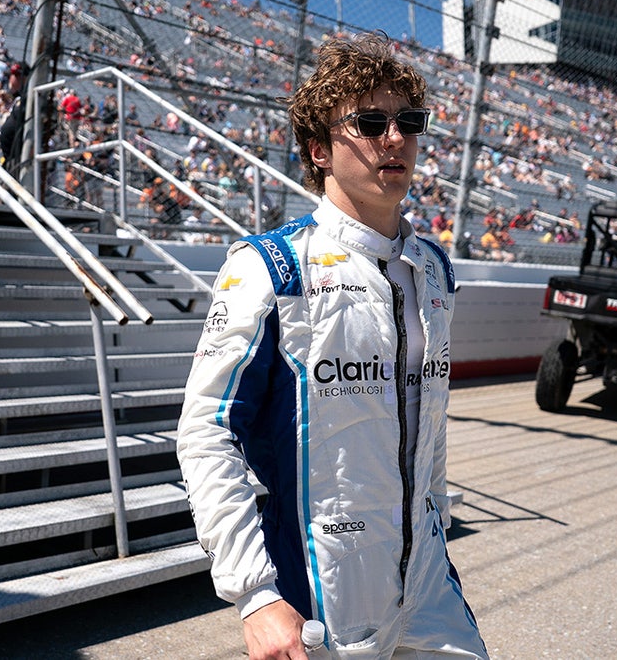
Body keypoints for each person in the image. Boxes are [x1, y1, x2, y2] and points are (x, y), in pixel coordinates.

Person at [177, 32, 488, 659]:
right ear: (319, 150)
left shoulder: (433, 269)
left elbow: (432, 416)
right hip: (325, 579)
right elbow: (206, 431)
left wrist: (437, 513)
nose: (395, 137)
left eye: (409, 121)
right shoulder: (273, 267)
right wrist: (256, 596)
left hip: (424, 568)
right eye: (371, 122)